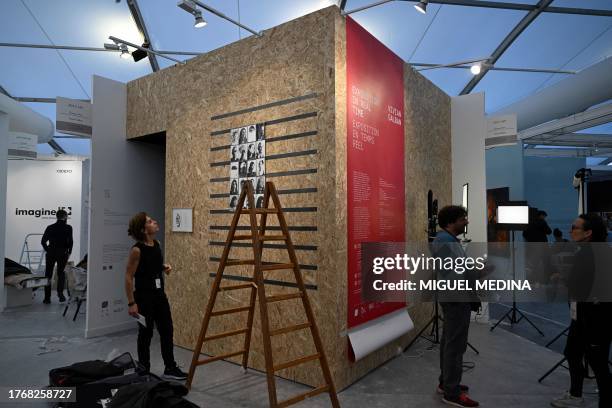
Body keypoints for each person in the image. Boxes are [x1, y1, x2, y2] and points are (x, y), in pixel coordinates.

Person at [551, 214, 610, 408]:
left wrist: (565, 280)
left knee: (597, 362)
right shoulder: (588, 252)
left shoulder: (592, 254)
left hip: (594, 319)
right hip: (582, 317)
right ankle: (575, 395)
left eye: (575, 227)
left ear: (588, 233)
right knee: (573, 353)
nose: (570, 231)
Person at [125, 212, 187, 380]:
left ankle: (170, 368)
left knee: (167, 330)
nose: (155, 222)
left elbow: (152, 266)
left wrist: (164, 267)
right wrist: (132, 303)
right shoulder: (137, 250)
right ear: (144, 229)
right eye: (150, 221)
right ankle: (143, 370)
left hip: (159, 296)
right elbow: (129, 277)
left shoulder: (157, 244)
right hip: (143, 299)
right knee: (145, 334)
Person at [433, 206, 479, 408]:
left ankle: (446, 383)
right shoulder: (445, 242)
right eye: (463, 219)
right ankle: (451, 392)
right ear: (451, 222)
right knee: (455, 346)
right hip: (456, 299)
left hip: (454, 297)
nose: (466, 222)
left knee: (449, 343)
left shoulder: (447, 241)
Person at [41, 209, 73, 304]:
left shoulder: (50, 227)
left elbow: (43, 242)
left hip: (51, 253)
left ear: (57, 216)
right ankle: (61, 295)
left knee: (48, 275)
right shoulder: (68, 227)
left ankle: (47, 298)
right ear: (65, 217)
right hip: (63, 253)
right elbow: (70, 241)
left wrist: (48, 250)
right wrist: (69, 252)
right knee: (61, 273)